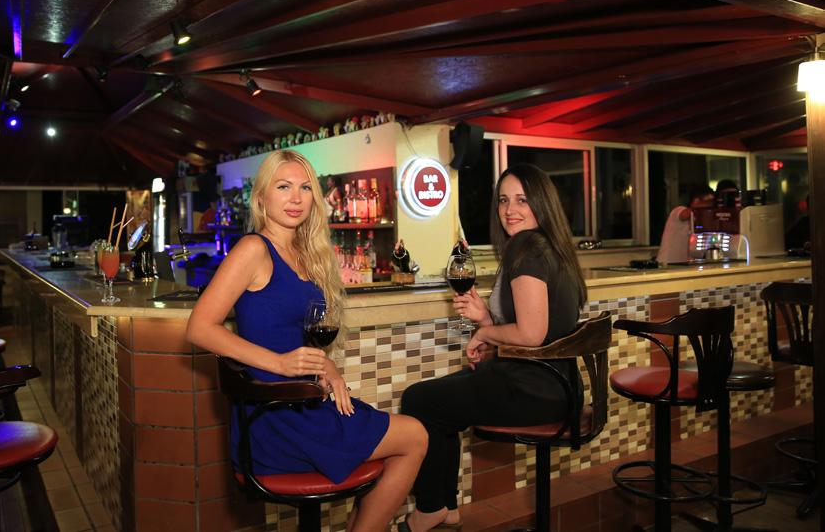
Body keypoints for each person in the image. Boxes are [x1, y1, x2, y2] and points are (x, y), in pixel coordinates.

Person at [186, 150, 426, 532]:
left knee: (410, 436)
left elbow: (294, 331)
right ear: (261, 197)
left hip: (305, 403)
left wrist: (325, 363)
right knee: (415, 435)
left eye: (305, 188)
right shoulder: (253, 249)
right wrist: (280, 364)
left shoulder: (306, 253)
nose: (296, 198)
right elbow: (199, 328)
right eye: (283, 187)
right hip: (274, 416)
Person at [397, 163, 588, 532]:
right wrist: (485, 319)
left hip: (534, 390)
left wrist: (484, 335)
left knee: (420, 401)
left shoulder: (526, 248)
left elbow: (531, 334)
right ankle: (446, 508)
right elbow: (537, 330)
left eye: (521, 200)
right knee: (438, 399)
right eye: (503, 200)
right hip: (559, 387)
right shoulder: (553, 248)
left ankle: (433, 508)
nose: (509, 209)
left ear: (542, 203)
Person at [655, 184, 715, 264]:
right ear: (697, 201)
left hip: (683, 267)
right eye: (708, 204)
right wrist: (717, 201)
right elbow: (689, 213)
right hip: (665, 267)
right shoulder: (677, 212)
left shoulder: (701, 221)